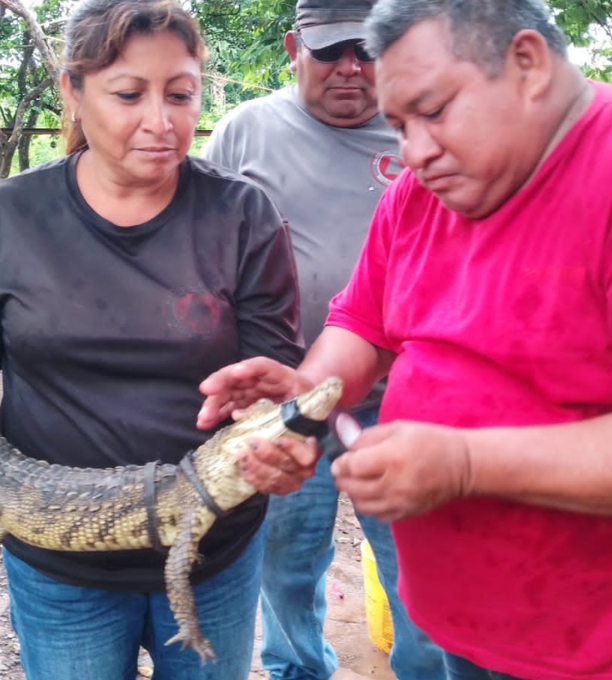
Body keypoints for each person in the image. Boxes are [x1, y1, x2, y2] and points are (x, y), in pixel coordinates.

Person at [195, 0, 612, 679]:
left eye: (434, 111)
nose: (413, 151)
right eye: (397, 125)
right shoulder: (423, 192)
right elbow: (363, 324)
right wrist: (304, 394)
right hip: (461, 621)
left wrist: (461, 464)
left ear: (526, 64)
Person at [0, 0, 305, 678]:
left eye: (181, 94)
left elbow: (273, 378)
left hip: (213, 548)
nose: (161, 121)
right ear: (73, 89)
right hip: (58, 561)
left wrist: (285, 437)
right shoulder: (6, 215)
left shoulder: (242, 214)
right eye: (129, 94)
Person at [202, 1, 445, 679]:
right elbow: (202, 243)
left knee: (412, 565)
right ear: (293, 47)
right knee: (286, 559)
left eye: (366, 52)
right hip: (285, 398)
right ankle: (299, 668)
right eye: (330, 51)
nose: (349, 68)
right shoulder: (246, 130)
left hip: (402, 395)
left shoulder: (418, 134)